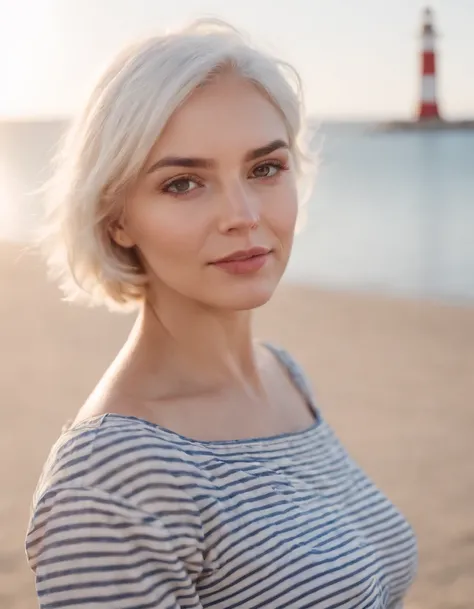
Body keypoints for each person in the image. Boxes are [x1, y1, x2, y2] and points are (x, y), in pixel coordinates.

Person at [25, 19, 418, 608]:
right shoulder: (108, 483)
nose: (242, 214)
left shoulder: (281, 374)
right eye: (184, 183)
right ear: (117, 218)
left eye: (264, 169)